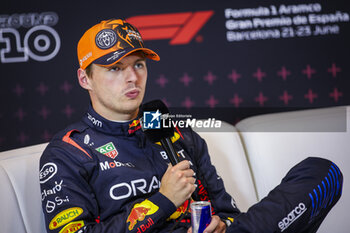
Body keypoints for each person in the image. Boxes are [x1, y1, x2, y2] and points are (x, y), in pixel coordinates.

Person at [39, 18, 343, 233]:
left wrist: (223, 224)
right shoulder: (68, 153)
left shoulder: (176, 134)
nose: (132, 78)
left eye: (138, 65)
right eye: (115, 68)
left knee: (322, 172)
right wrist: (163, 200)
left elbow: (226, 210)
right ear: (85, 79)